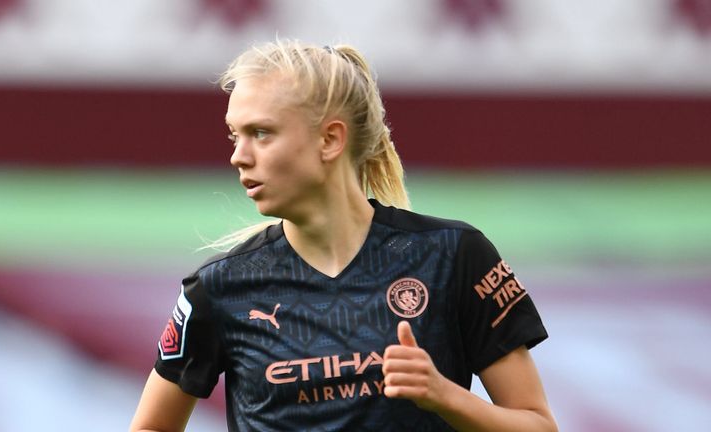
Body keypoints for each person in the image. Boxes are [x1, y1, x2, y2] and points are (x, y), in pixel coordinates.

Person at [130, 39, 557, 432]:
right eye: (234, 135)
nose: (238, 156)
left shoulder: (453, 257)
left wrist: (445, 396)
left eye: (261, 133)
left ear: (331, 139)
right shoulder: (218, 288)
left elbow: (538, 425)